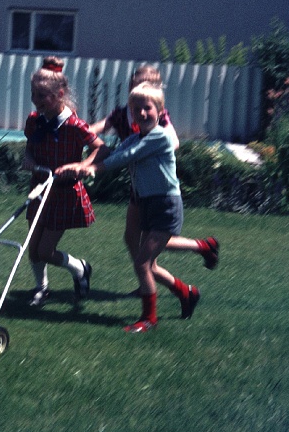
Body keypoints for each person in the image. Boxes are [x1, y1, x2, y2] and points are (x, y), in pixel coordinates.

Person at [57, 82, 200, 333]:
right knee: (150, 265)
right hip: (147, 204)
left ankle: (148, 318)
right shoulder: (136, 137)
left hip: (166, 206)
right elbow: (112, 151)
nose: (142, 114)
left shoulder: (160, 136)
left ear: (160, 110)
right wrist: (80, 166)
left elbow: (125, 157)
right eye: (136, 109)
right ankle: (186, 293)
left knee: (142, 263)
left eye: (148, 108)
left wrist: (94, 169)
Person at [89, 64, 219, 283]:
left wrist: (147, 147)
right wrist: (76, 132)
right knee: (133, 238)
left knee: (151, 242)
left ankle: (195, 252)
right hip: (139, 187)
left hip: (157, 186)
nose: (140, 98)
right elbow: (97, 128)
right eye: (135, 88)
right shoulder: (123, 114)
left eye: (146, 88)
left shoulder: (157, 117)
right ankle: (160, 278)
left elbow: (173, 142)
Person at [22, 56, 105, 307]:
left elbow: (102, 149)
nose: (36, 100)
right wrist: (28, 159)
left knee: (46, 251)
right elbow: (29, 148)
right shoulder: (35, 120)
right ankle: (42, 289)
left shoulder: (74, 125)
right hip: (39, 188)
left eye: (42, 96)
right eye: (34, 94)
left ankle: (80, 269)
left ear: (59, 94)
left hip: (63, 193)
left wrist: (82, 165)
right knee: (32, 248)